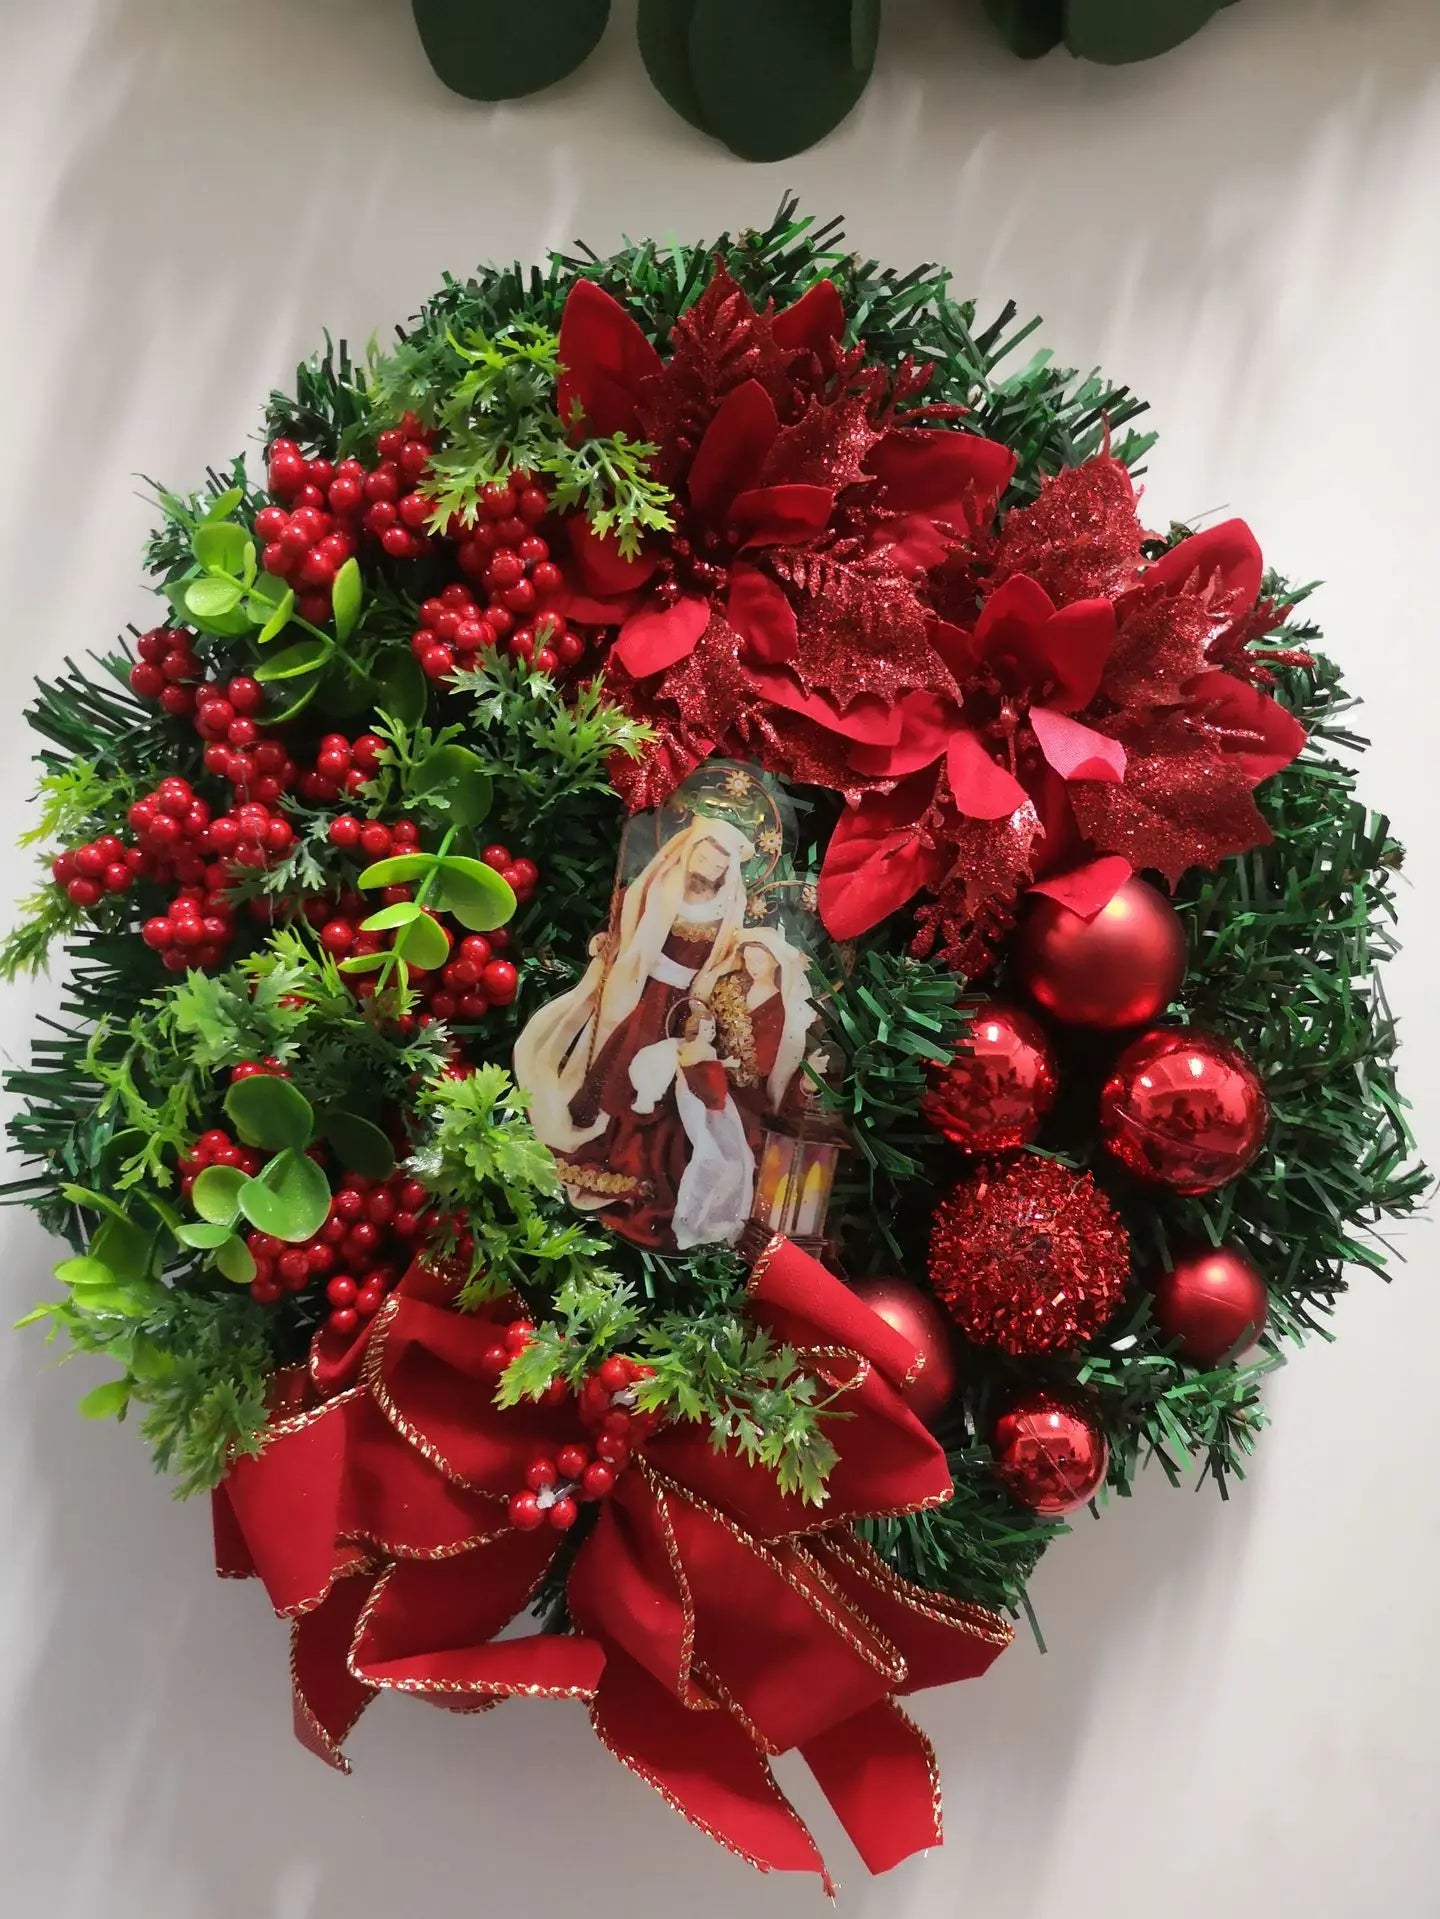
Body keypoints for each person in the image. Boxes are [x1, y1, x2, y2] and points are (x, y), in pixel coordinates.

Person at [513, 816, 757, 1246]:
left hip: (681, 1005)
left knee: (663, 1081)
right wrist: (606, 943)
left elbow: (722, 958)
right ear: (688, 850)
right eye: (705, 855)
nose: (711, 868)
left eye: (721, 865)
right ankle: (600, 1135)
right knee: (621, 1061)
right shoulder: (658, 886)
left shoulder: (727, 908)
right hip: (640, 991)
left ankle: (641, 1159)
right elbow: (625, 923)